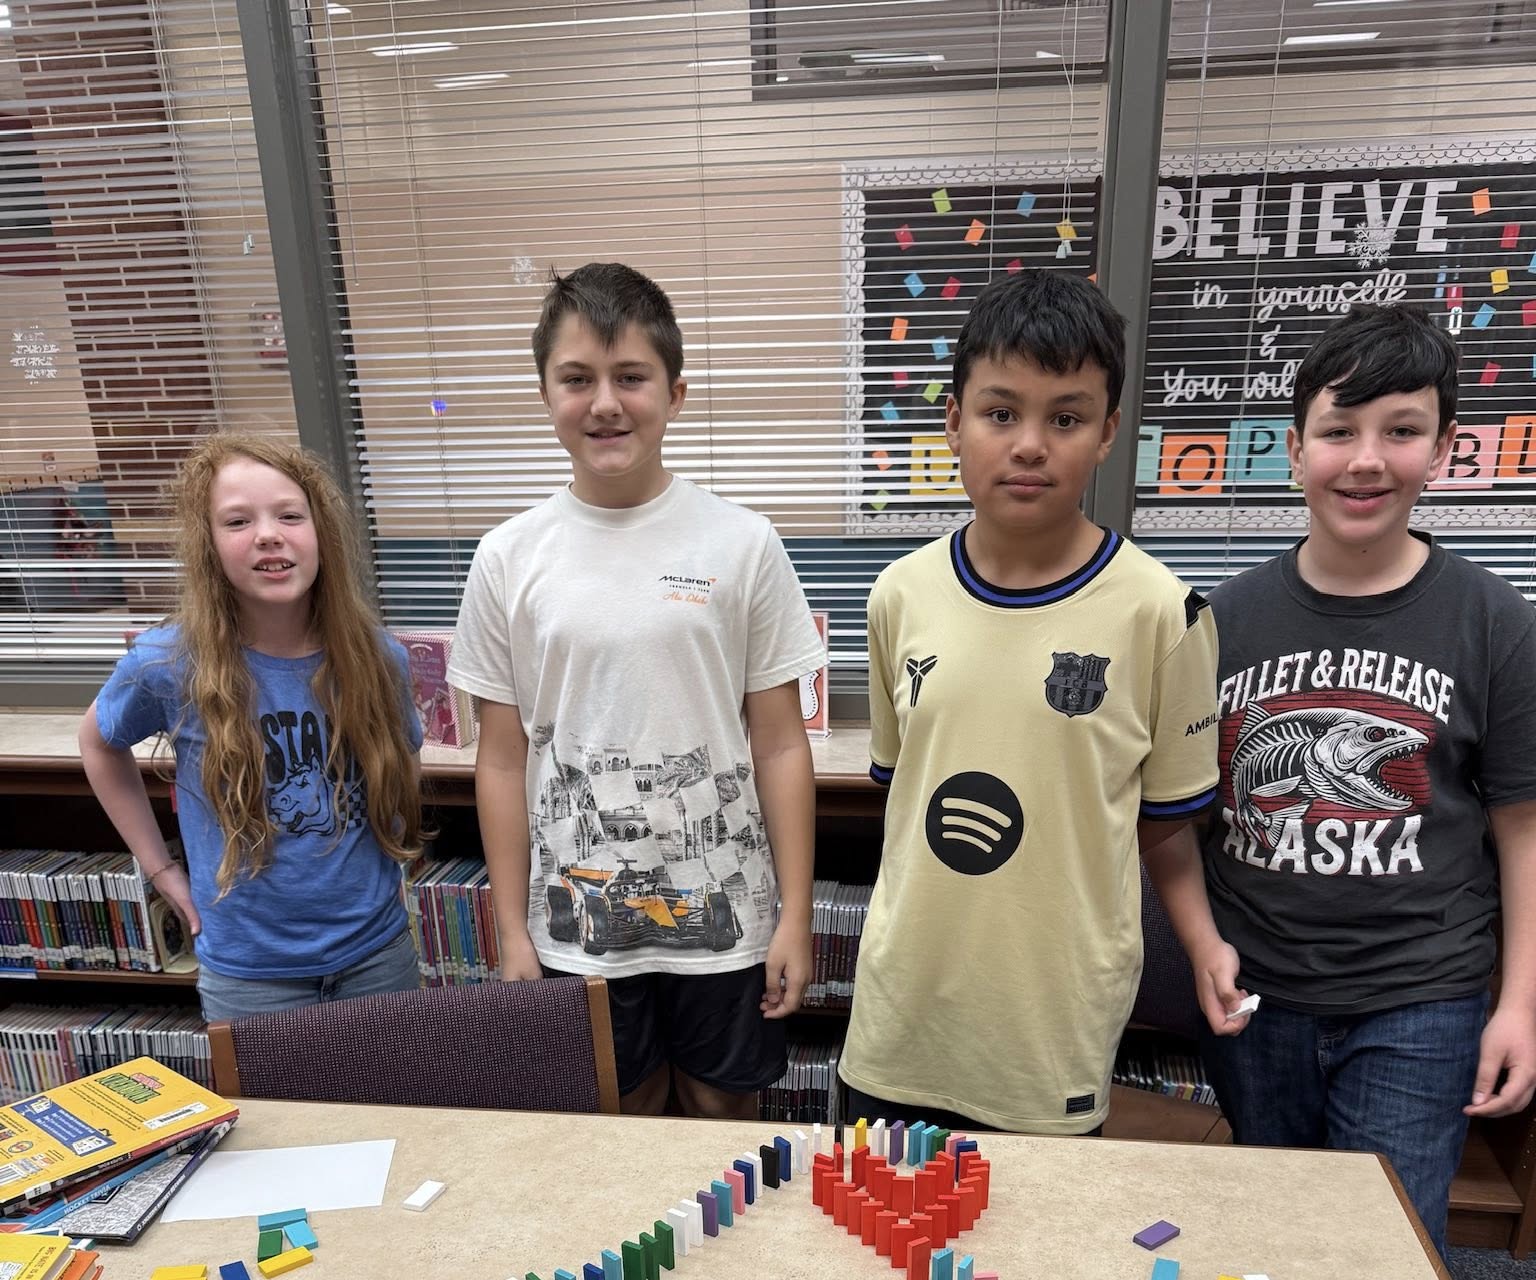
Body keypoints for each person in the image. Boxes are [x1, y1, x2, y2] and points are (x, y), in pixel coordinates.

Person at [840, 267, 1247, 1136]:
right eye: (1000, 412)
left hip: (1047, 1026)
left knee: (1029, 1264)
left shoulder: (1163, 613)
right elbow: (903, 791)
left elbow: (1164, 822)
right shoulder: (897, 596)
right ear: (953, 421)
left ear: (1106, 433)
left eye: (1064, 418)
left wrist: (1206, 944)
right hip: (901, 1008)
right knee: (870, 1253)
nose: (1030, 444)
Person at [449, 263, 824, 1117]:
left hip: (727, 918)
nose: (604, 403)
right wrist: (512, 934)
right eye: (577, 379)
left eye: (631, 378)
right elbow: (503, 762)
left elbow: (778, 743)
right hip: (581, 929)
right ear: (546, 392)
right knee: (619, 1120)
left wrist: (794, 915)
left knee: (724, 1118)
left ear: (676, 393)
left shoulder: (743, 542)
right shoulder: (508, 556)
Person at [1199, 306, 1536, 1252]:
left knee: (1381, 1255)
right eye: (1339, 431)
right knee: (1267, 1242)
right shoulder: (1224, 620)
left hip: (1422, 999)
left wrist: (1520, 1005)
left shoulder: (1493, 621)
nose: (1366, 460)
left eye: (1402, 431)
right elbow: (1186, 815)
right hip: (1257, 998)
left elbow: (1521, 828)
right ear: (1296, 447)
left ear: (1443, 449)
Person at [79, 432, 424, 1022]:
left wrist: (392, 854)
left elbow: (403, 757)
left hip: (378, 959)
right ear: (209, 545)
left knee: (390, 1115)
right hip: (248, 976)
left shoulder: (377, 656)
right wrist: (161, 870)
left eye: (290, 515)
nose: (268, 533)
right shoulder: (168, 663)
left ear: (321, 535)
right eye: (238, 521)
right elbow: (98, 741)